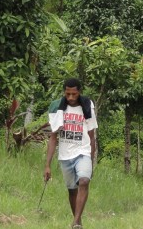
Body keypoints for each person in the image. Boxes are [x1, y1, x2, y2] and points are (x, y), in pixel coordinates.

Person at [44, 78, 98, 229]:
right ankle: (78, 222)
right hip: (65, 155)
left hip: (83, 151)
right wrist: (47, 165)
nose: (71, 98)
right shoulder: (56, 107)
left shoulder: (87, 106)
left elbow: (92, 137)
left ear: (79, 92)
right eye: (68, 94)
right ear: (64, 92)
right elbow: (53, 138)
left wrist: (92, 161)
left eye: (74, 94)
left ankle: (74, 222)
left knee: (84, 181)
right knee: (72, 190)